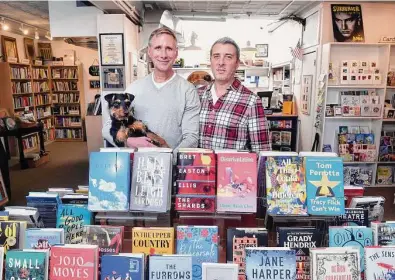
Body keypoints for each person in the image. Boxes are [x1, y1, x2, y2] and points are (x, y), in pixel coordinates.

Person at [102, 27, 200, 150]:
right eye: (158, 48)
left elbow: (191, 138)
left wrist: (170, 159)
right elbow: (107, 128)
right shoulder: (133, 89)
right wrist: (128, 141)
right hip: (138, 164)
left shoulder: (188, 91)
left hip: (171, 165)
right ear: (149, 51)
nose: (163, 55)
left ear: (176, 52)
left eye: (169, 48)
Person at [198, 37, 271, 152]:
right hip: (197, 169)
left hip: (233, 170)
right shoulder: (197, 95)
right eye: (216, 56)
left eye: (228, 57)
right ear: (211, 61)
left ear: (237, 63)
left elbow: (262, 154)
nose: (221, 63)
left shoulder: (251, 101)